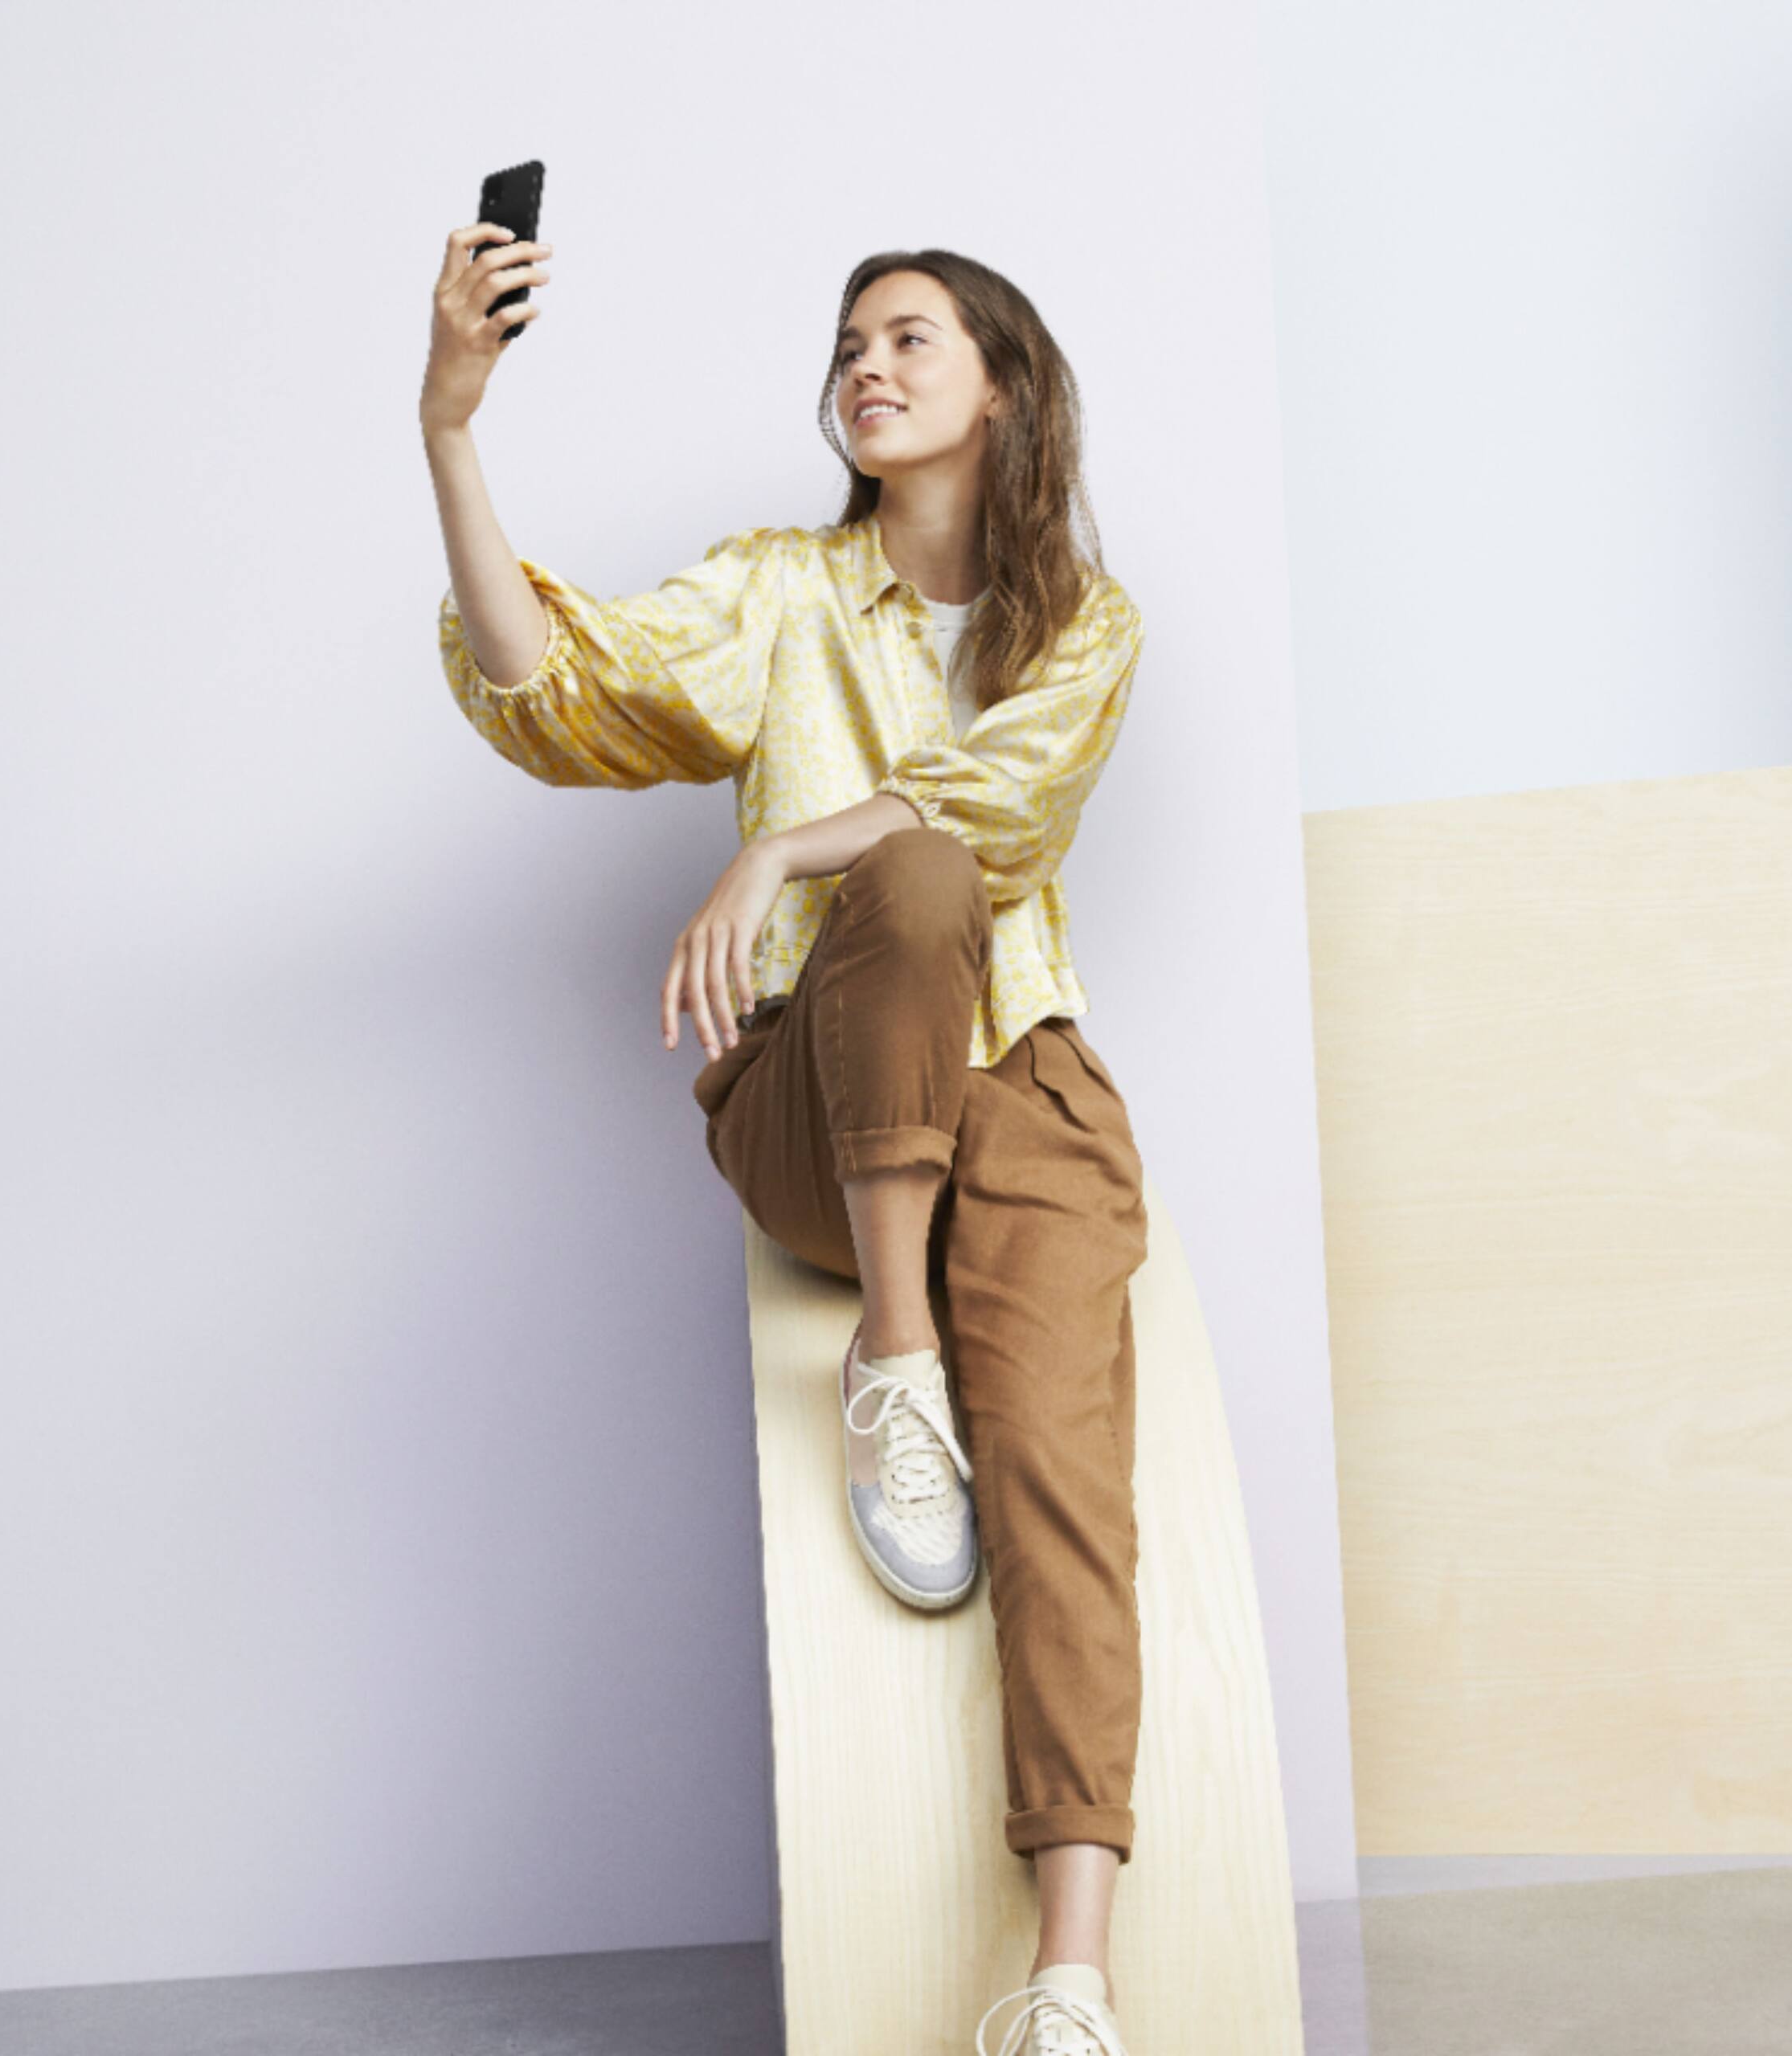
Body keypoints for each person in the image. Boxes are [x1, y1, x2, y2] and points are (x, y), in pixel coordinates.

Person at [422, 222, 1153, 2056]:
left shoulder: (1090, 624)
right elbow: (562, 685)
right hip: (813, 1111)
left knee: (1067, 1471)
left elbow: (996, 803)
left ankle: (1071, 1983)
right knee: (905, 877)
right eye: (848, 344)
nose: (865, 366)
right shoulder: (779, 591)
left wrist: (778, 845)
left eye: (908, 338)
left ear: (1006, 388)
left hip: (1024, 1095)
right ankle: (895, 1355)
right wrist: (451, 430)